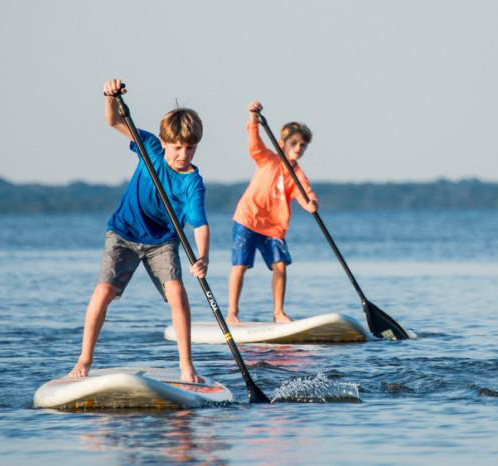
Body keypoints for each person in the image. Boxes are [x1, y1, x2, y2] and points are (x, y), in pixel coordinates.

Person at [69, 79, 208, 383]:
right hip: (123, 233)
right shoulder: (150, 147)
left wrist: (203, 258)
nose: (183, 155)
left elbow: (200, 224)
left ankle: (187, 367)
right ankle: (83, 361)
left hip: (162, 241)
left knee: (178, 294)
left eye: (190, 147)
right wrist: (109, 96)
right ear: (164, 141)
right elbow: (114, 120)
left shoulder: (192, 182)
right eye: (177, 147)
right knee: (103, 292)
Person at [226, 101, 319, 324]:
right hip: (248, 219)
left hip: (273, 227)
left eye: (303, 145)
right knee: (240, 265)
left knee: (280, 265)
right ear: (282, 144)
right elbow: (254, 144)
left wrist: (312, 204)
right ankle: (232, 313)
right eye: (294, 143)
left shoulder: (296, 173)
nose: (298, 148)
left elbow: (305, 195)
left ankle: (278, 312)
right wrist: (253, 118)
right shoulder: (268, 159)